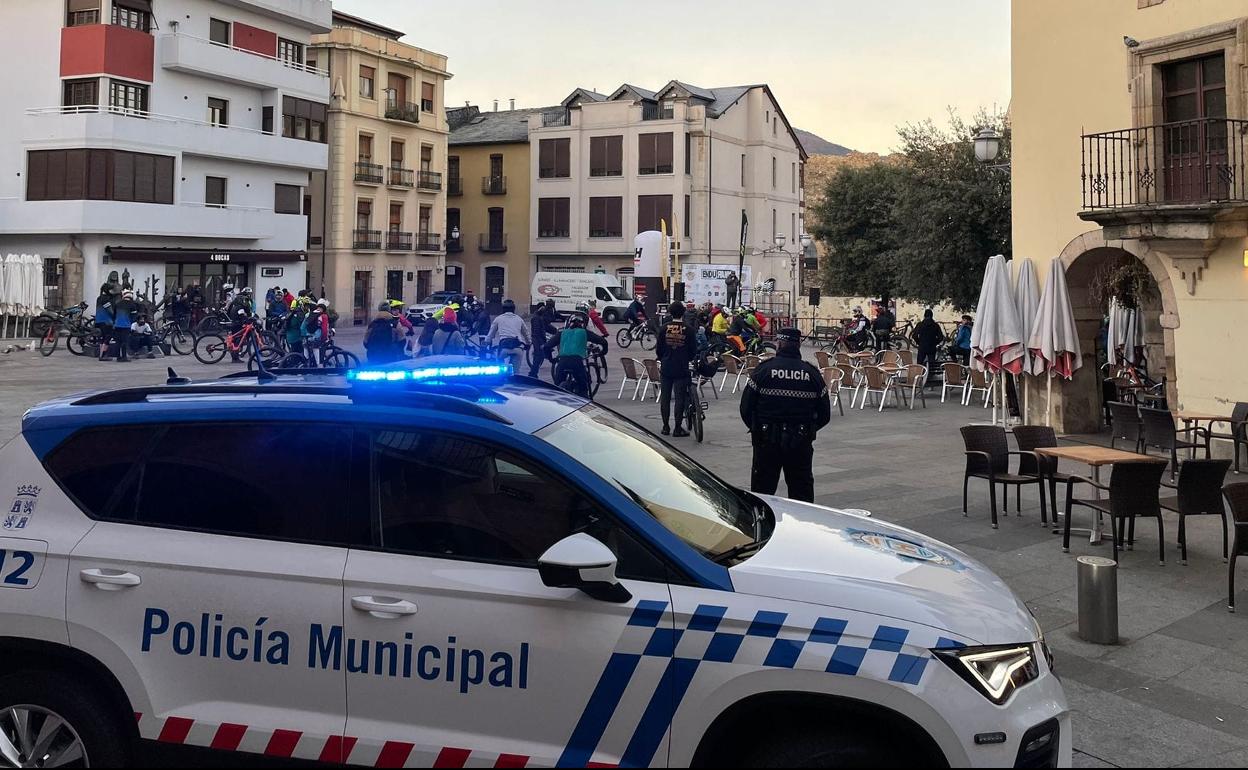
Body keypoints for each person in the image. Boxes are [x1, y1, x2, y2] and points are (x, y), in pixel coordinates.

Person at [739, 328, 832, 503]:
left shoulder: (764, 370)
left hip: (766, 441)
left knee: (762, 494)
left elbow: (745, 408)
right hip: (800, 442)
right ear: (797, 345)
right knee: (801, 494)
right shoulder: (811, 373)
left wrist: (757, 428)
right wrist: (808, 429)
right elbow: (825, 414)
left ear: (779, 344)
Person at [655, 302, 698, 437]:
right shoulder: (689, 330)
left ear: (670, 313)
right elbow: (693, 350)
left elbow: (659, 349)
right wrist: (687, 359)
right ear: (683, 313)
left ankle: (665, 426)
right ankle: (677, 428)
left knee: (665, 398)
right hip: (681, 367)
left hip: (666, 367)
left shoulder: (663, 328)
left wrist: (664, 358)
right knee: (680, 398)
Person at [542, 315, 608, 396]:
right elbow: (603, 342)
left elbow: (546, 347)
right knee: (583, 389)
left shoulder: (562, 333)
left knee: (557, 390)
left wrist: (551, 359)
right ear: (582, 325)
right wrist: (602, 352)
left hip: (562, 362)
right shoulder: (584, 332)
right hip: (576, 362)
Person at [487, 299, 531, 372]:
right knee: (515, 372)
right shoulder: (519, 319)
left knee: (500, 366)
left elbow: (491, 334)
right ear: (514, 309)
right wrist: (528, 343)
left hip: (504, 348)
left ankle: (501, 375)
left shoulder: (498, 319)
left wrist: (486, 342)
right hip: (518, 347)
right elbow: (526, 333)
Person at [528, 299, 559, 377]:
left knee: (540, 356)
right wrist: (542, 343)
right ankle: (532, 374)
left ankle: (533, 374)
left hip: (541, 339)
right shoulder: (536, 318)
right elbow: (537, 332)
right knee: (538, 357)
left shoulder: (539, 316)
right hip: (538, 340)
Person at [911, 309, 946, 374]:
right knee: (931, 365)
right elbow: (941, 337)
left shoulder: (920, 324)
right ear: (932, 316)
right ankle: (931, 378)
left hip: (922, 347)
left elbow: (914, 336)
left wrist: (919, 342)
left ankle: (919, 377)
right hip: (932, 347)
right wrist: (935, 343)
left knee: (920, 364)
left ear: (924, 316)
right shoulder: (936, 325)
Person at [111, 289, 139, 362]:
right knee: (124, 342)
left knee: (118, 342)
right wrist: (130, 322)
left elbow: (114, 314)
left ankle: (118, 356)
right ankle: (124, 357)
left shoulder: (118, 303)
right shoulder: (132, 305)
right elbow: (134, 316)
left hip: (117, 325)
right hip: (126, 326)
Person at [93, 284, 115, 361]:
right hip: (106, 321)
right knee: (107, 337)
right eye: (111, 289)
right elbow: (110, 311)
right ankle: (103, 355)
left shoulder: (99, 298)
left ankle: (101, 354)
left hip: (98, 321)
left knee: (102, 338)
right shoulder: (106, 299)